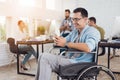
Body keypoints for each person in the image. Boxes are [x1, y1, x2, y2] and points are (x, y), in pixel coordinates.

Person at [35, 7, 100, 80]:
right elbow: (64, 40)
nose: (74, 22)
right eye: (73, 19)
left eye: (77, 19)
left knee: (45, 58)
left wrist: (66, 44)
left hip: (81, 63)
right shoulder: (75, 32)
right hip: (70, 60)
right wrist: (58, 40)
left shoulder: (92, 32)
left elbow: (88, 48)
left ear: (86, 20)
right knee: (41, 56)